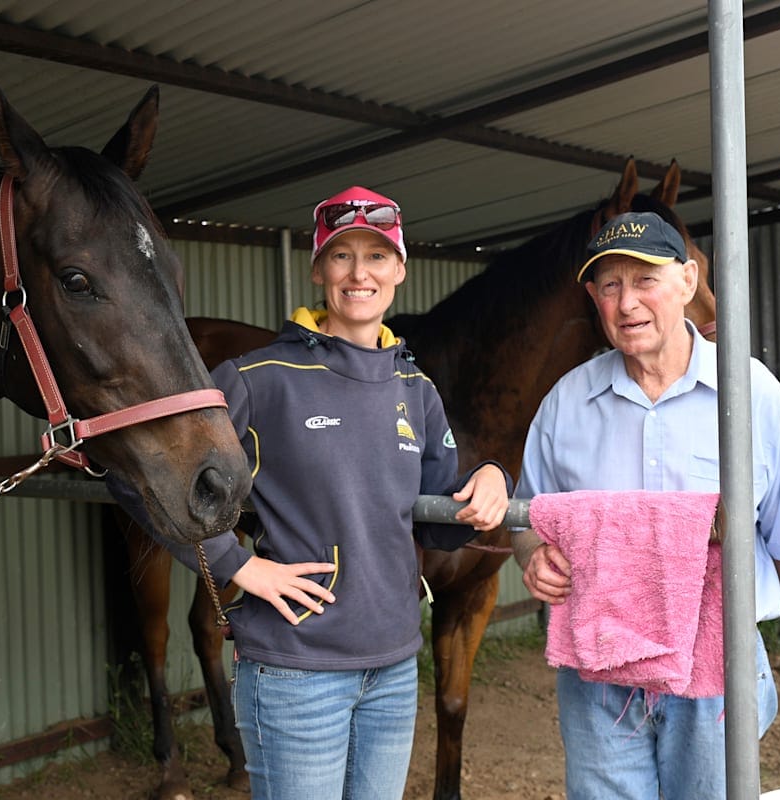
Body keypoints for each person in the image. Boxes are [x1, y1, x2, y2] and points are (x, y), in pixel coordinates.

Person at [106, 185, 511, 800]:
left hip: (394, 669)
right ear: (319, 268)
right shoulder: (259, 378)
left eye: (376, 256)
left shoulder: (415, 387)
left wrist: (491, 483)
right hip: (295, 673)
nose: (359, 273)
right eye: (342, 255)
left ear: (400, 269)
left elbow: (436, 523)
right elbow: (138, 475)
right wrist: (240, 567)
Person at [509, 211, 780, 800]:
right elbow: (527, 515)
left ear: (688, 282)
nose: (628, 302)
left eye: (645, 281)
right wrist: (532, 553)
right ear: (593, 297)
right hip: (599, 672)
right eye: (610, 286)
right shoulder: (566, 403)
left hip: (718, 670)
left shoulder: (752, 394)